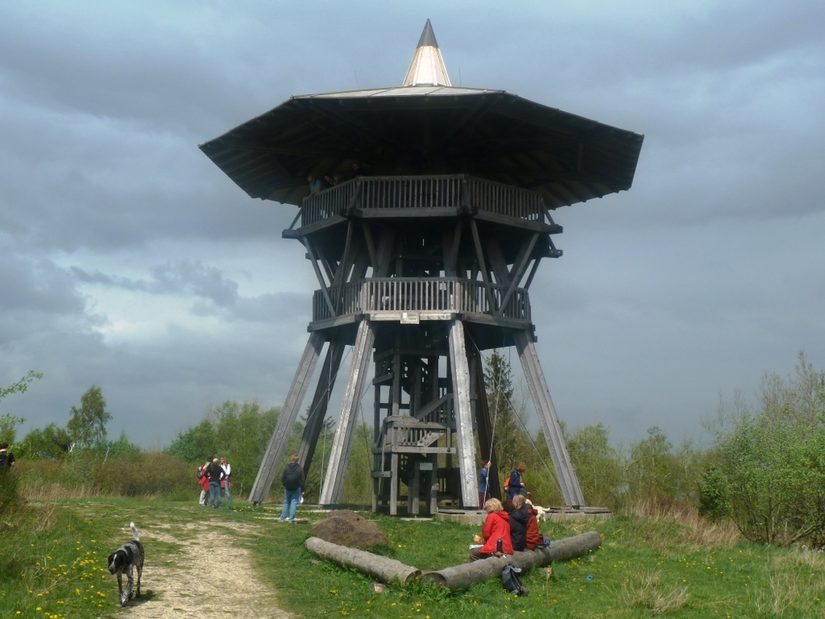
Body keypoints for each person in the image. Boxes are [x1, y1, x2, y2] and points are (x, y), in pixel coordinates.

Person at [279, 454, 304, 524]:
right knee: (293, 503)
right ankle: (291, 520)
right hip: (296, 488)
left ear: (291, 459)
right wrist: (302, 490)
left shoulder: (286, 467)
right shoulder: (300, 468)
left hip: (287, 488)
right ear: (297, 460)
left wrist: (285, 485)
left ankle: (282, 518)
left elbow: (282, 478)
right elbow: (302, 480)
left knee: (286, 502)